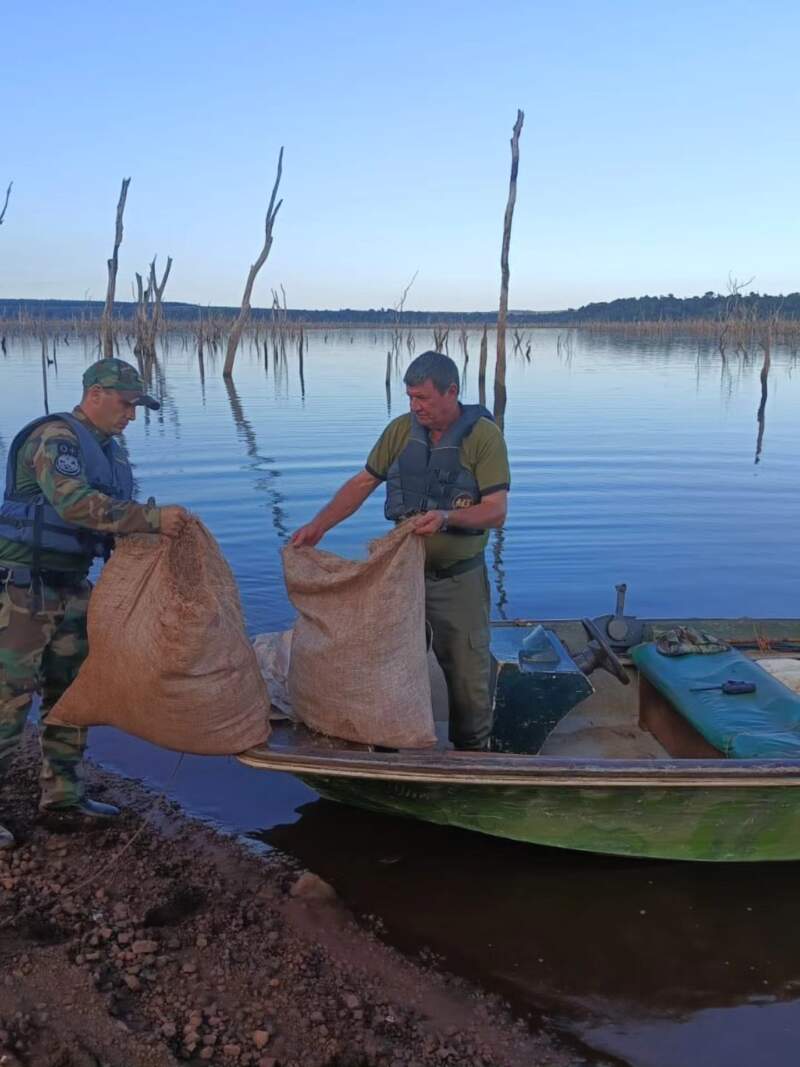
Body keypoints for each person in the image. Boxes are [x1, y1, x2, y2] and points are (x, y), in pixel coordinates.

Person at [0, 358, 189, 850]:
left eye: (137, 407)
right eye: (126, 404)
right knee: (8, 702)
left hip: (73, 588)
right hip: (21, 591)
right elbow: (73, 504)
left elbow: (112, 523)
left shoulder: (113, 452)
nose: (131, 415)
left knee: (72, 697)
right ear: (97, 394)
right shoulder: (57, 439)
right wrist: (150, 519)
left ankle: (63, 796)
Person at [291, 350, 509, 751]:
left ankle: (473, 756)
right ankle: (391, 749)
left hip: (457, 580)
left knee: (466, 677)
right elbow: (362, 484)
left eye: (423, 398)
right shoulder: (399, 431)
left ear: (452, 392)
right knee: (387, 666)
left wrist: (446, 517)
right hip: (400, 579)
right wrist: (318, 526)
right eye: (410, 397)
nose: (415, 406)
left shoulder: (483, 437)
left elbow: (496, 511)